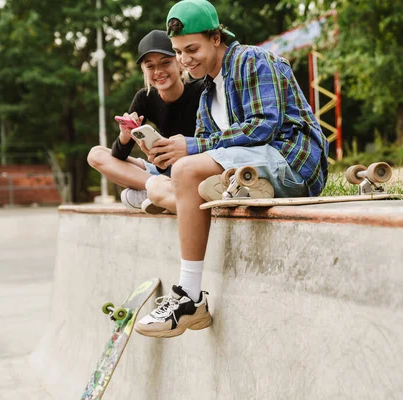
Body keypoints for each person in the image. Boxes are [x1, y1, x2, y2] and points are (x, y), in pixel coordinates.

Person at [134, 0, 329, 338]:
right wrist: (164, 154)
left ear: (215, 37)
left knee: (185, 173)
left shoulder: (251, 61)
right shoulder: (207, 93)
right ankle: (236, 190)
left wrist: (190, 150)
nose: (184, 59)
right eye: (178, 52)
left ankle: (190, 297)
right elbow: (202, 147)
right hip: (248, 167)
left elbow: (263, 126)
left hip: (292, 162)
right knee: (158, 186)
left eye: (191, 49)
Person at [87, 29, 205, 213]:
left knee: (128, 196)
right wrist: (125, 136)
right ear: (143, 70)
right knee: (96, 154)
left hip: (192, 169)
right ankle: (158, 188)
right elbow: (119, 156)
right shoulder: (144, 97)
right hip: (161, 171)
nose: (158, 71)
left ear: (180, 63)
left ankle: (158, 195)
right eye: (150, 66)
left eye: (166, 63)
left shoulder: (201, 90)